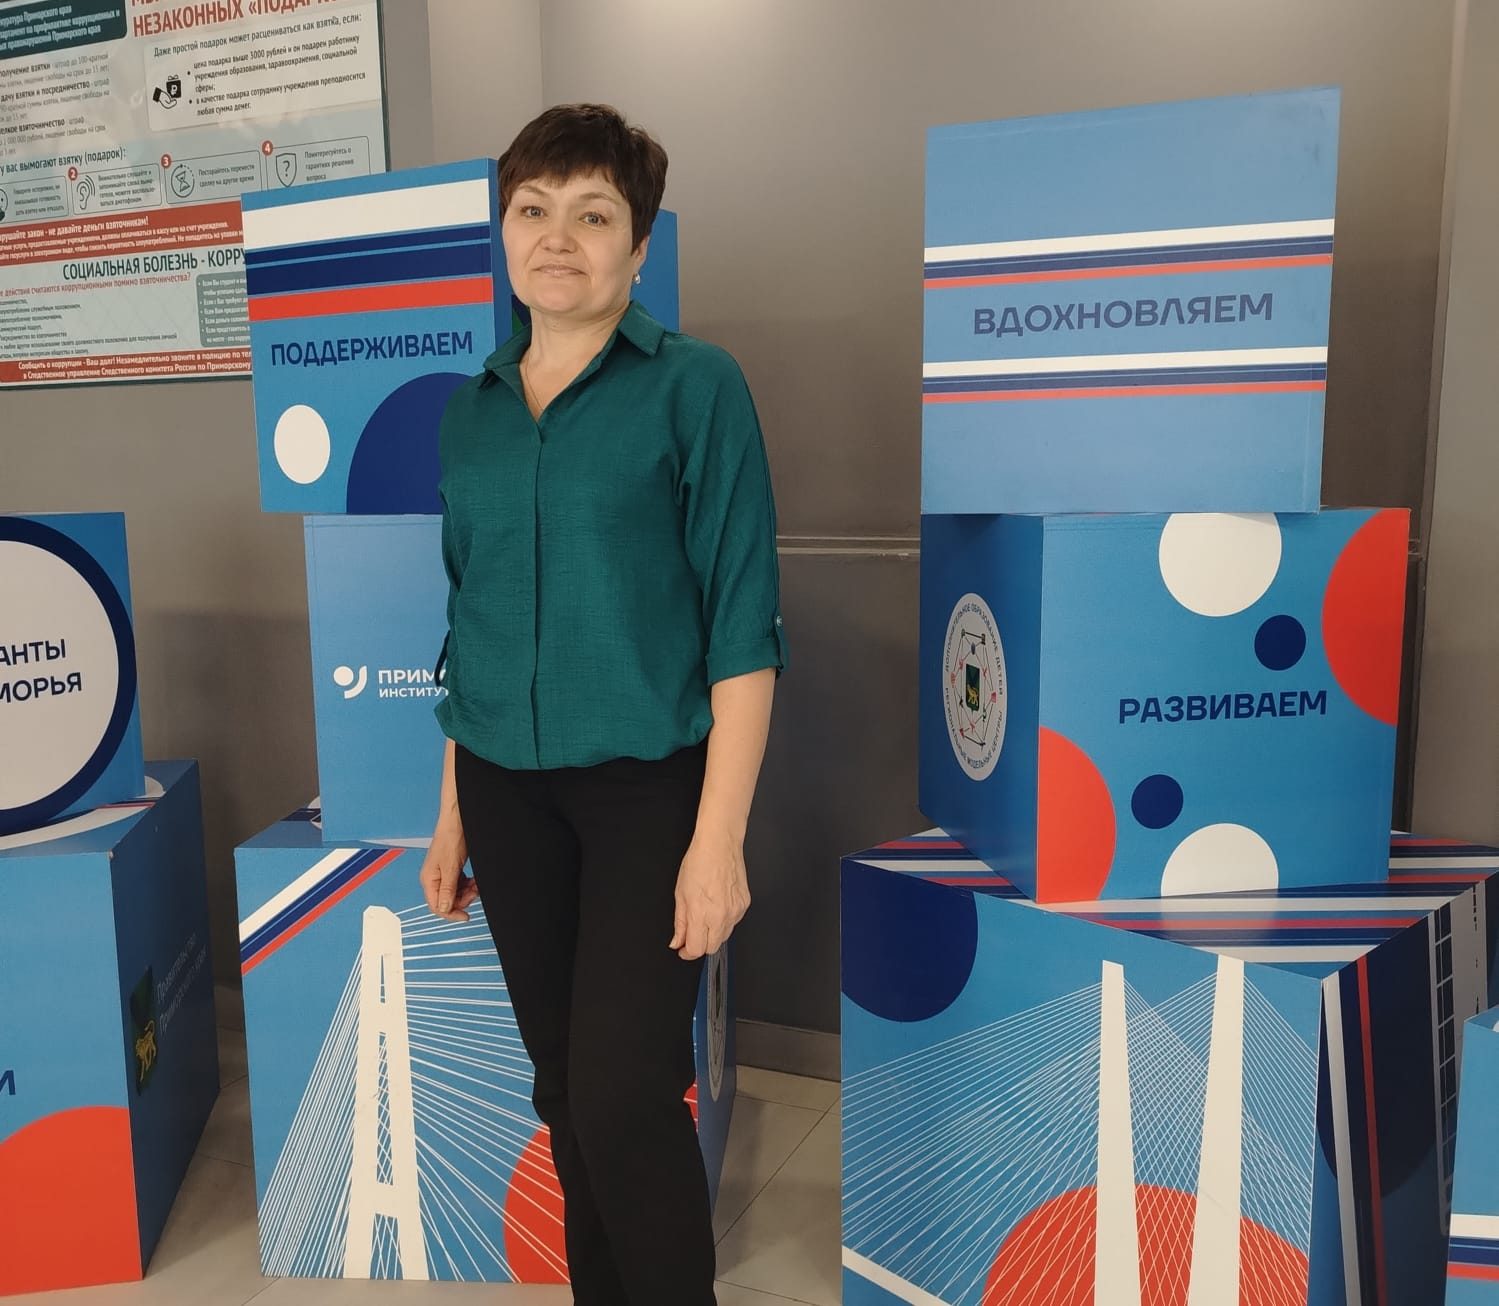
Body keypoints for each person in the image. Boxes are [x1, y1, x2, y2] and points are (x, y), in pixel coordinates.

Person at [418, 103, 785, 1306]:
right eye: (532, 210)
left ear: (638, 245)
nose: (556, 238)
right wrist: (451, 810)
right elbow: (469, 617)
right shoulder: (470, 410)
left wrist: (718, 839)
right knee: (567, 1090)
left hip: (647, 796)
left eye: (592, 215)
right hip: (503, 792)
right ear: (502, 229)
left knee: (626, 1093)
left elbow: (742, 628)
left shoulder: (694, 388)